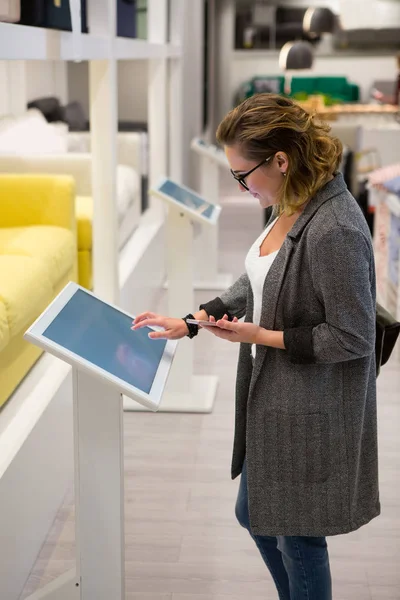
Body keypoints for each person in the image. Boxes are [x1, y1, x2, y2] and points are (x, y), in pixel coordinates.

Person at [132, 93, 379, 600]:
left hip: (312, 408)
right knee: (257, 515)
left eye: (243, 175)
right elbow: (261, 278)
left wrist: (259, 335)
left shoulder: (336, 228)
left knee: (299, 538)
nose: (241, 187)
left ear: (281, 160)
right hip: (278, 403)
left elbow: (354, 336)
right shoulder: (291, 200)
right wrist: (194, 320)